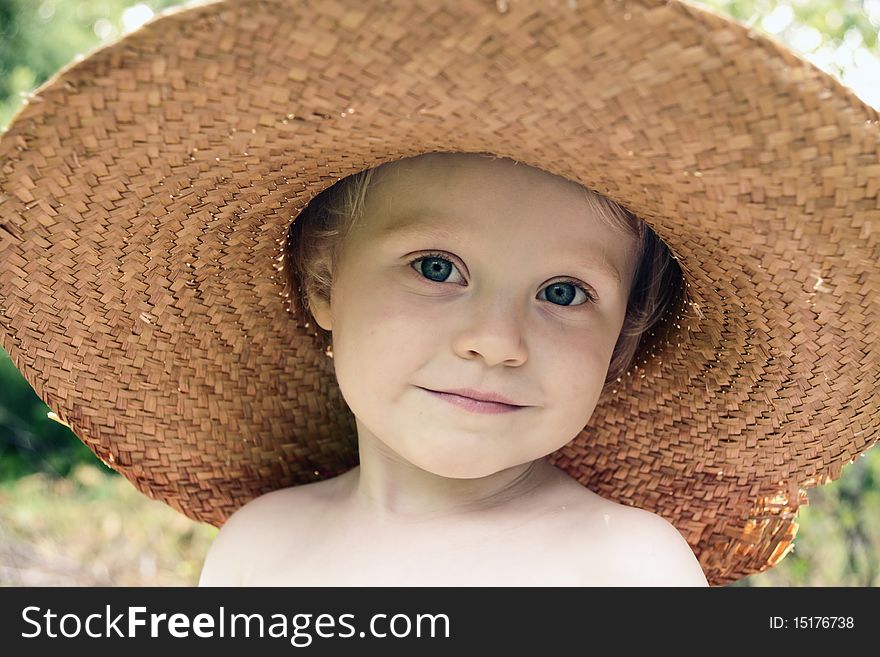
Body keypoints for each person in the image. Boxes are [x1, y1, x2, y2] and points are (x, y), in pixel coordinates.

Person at [0, 0, 877, 587]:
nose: (496, 339)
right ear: (322, 282)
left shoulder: (626, 566)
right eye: (435, 267)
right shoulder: (260, 549)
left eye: (565, 291)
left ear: (626, 337)